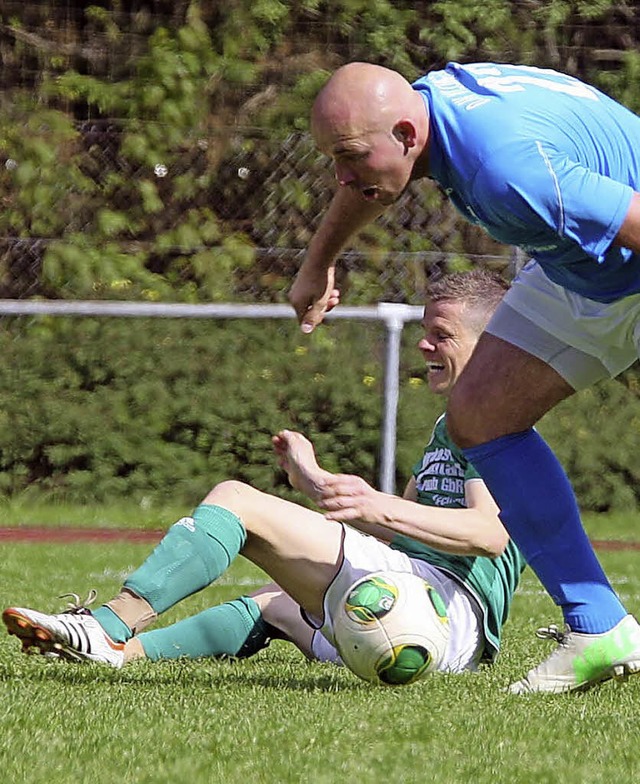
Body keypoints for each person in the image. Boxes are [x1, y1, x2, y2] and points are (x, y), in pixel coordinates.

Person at [288, 61, 640, 693]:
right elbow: (365, 181)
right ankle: (597, 626)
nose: (341, 176)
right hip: (576, 274)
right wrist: (320, 263)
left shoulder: (504, 170)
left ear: (403, 134)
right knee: (478, 418)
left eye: (350, 157)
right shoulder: (423, 112)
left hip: (629, 276)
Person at [3, 270, 525, 681]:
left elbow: (489, 535)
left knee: (236, 501)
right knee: (272, 605)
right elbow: (401, 533)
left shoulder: (494, 419)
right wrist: (318, 484)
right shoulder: (452, 425)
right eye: (424, 333)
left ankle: (104, 626)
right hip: (426, 623)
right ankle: (122, 655)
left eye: (443, 335)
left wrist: (377, 504)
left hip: (443, 614)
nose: (424, 346)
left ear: (491, 344)